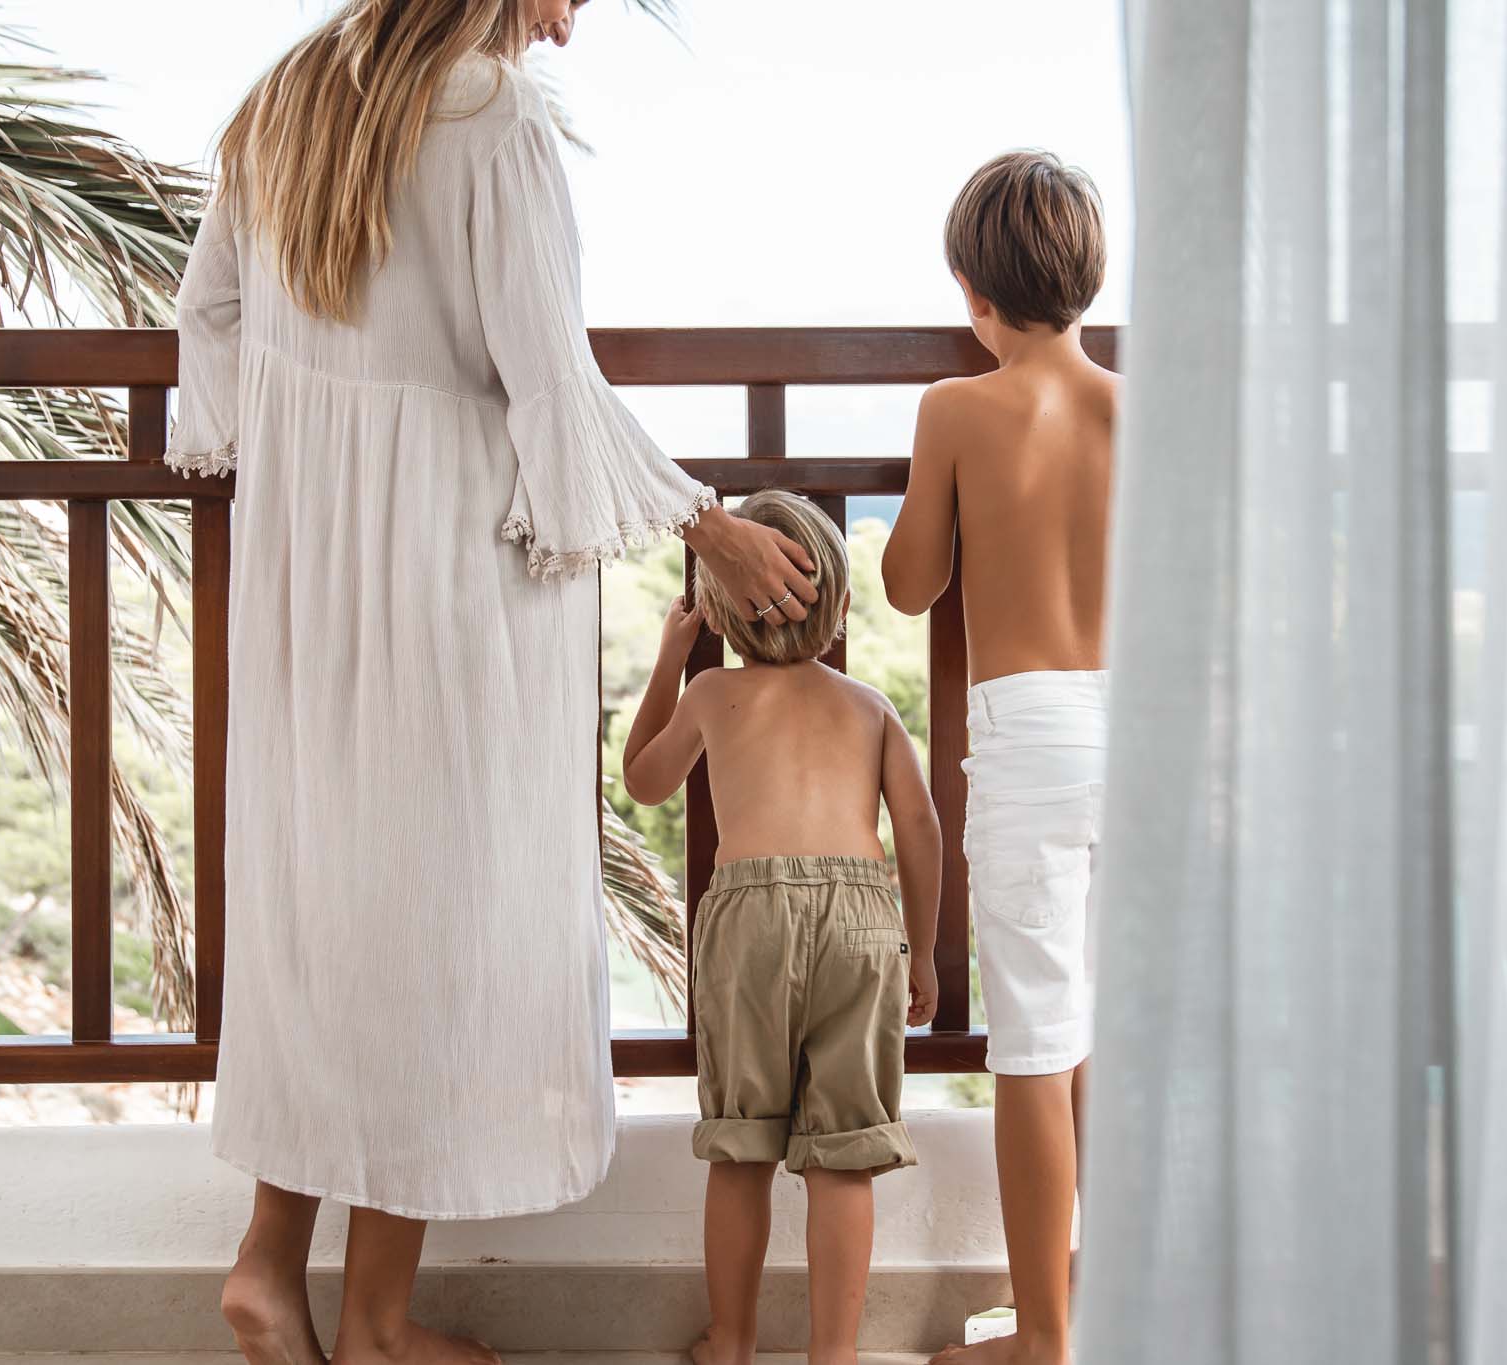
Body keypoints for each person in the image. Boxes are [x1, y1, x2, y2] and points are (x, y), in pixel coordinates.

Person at [169, 3, 819, 1362]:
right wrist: (708, 525)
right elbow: (549, 379)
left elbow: (211, 315)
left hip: (308, 579)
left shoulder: (287, 94)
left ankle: (269, 1265)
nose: (566, 29)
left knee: (328, 911)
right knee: (432, 922)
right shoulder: (493, 117)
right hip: (452, 576)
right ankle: (373, 1320)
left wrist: (304, 454)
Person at [881, 150, 1116, 1365]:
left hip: (1030, 742)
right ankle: (1117, 1305)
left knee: (1033, 1044)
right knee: (1105, 1034)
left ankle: (1042, 1336)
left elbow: (908, 582)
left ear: (972, 291)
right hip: (1138, 735)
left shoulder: (955, 408)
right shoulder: (1136, 407)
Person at [621, 490, 942, 1365]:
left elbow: (643, 779)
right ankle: (833, 1354)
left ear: (719, 610)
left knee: (741, 1146)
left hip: (749, 920)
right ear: (841, 605)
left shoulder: (712, 692)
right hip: (861, 921)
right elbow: (919, 827)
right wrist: (923, 950)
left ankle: (731, 1340)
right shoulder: (870, 706)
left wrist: (672, 656)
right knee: (845, 1154)